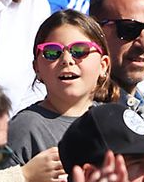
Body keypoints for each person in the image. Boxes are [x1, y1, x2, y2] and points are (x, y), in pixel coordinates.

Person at [8, 10, 115, 165]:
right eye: (52, 52)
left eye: (79, 50)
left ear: (103, 65)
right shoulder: (24, 129)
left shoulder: (114, 121)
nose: (66, 60)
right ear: (36, 68)